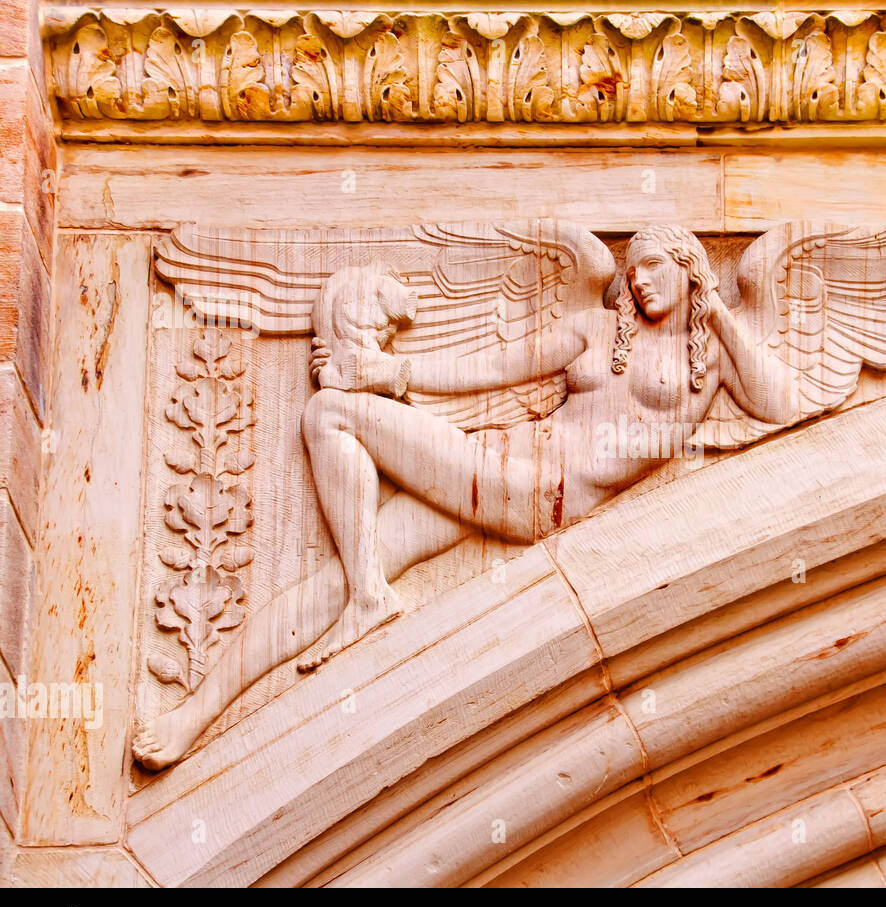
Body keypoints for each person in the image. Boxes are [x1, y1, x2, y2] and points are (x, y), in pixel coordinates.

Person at [133, 225, 798, 770]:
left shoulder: (707, 359)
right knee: (341, 570)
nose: (638, 279)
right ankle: (199, 711)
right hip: (501, 467)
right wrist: (399, 372)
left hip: (543, 492)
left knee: (330, 414)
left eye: (654, 265)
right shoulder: (598, 333)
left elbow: (783, 404)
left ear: (689, 266)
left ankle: (370, 599)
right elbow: (495, 366)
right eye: (632, 268)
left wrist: (717, 310)